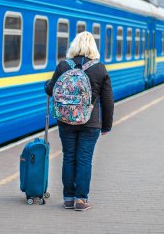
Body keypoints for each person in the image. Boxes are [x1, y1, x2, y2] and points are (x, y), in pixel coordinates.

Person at [44, 31, 114, 211]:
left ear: (74, 46)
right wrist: (106, 126)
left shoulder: (63, 66)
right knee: (84, 159)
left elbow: (52, 90)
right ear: (93, 47)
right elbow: (107, 101)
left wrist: (46, 85)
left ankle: (68, 198)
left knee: (69, 157)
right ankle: (81, 200)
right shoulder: (100, 69)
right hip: (90, 123)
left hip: (66, 121)